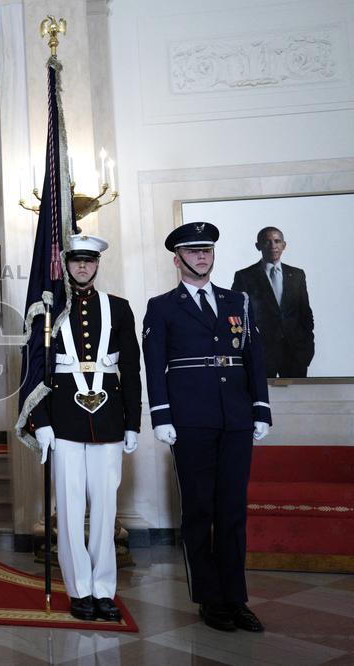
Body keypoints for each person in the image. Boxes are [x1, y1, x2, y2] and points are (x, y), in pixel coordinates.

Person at [143, 222, 271, 633]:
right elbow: (154, 365)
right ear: (177, 258)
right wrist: (161, 415)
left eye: (207, 250)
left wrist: (261, 408)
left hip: (235, 418)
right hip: (190, 421)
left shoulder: (238, 301)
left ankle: (236, 598)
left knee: (233, 512)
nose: (202, 257)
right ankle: (209, 599)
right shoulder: (162, 306)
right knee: (199, 512)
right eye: (193, 251)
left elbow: (254, 356)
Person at [28, 235, 141, 623]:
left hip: (109, 421)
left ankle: (104, 589)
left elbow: (132, 370)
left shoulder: (119, 308)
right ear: (66, 264)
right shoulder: (49, 310)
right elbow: (35, 368)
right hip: (64, 422)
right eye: (76, 261)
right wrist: (40, 421)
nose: (82, 268)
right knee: (71, 510)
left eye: (89, 261)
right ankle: (80, 590)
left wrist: (133, 422)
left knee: (106, 508)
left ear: (97, 264)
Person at [231, 226, 314, 378]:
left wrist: (307, 347)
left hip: (295, 352)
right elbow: (236, 316)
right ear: (258, 246)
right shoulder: (245, 276)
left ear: (284, 245)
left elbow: (305, 313)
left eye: (277, 241)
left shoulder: (297, 275)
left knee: (296, 398)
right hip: (261, 352)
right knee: (262, 399)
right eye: (267, 242)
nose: (273, 246)